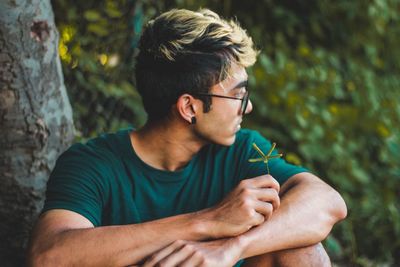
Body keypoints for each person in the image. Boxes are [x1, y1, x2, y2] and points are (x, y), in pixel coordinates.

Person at [27, 8, 347, 267]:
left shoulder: (241, 149)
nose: (248, 107)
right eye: (238, 96)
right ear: (189, 107)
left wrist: (231, 248)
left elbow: (327, 203)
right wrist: (206, 222)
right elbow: (48, 256)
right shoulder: (92, 164)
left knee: (302, 248)